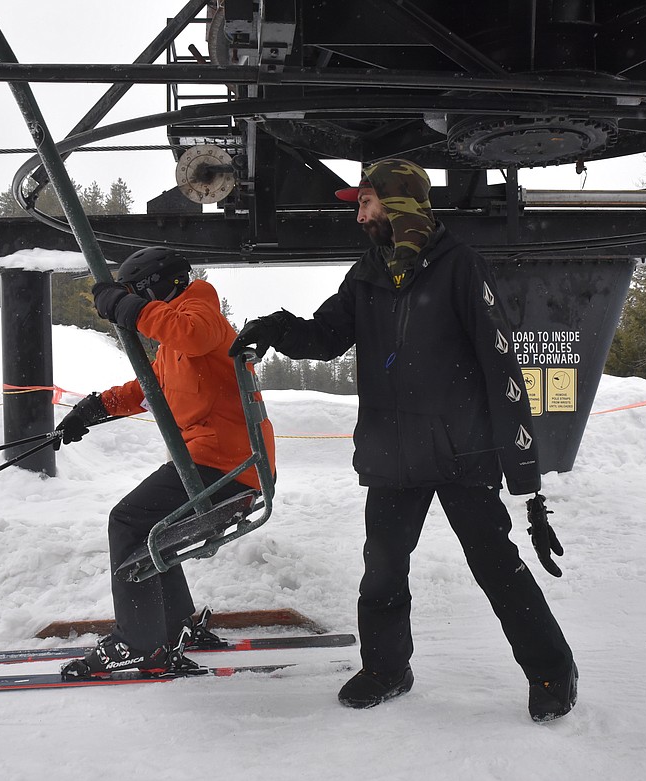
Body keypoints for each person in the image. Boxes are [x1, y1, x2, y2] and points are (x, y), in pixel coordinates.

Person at [229, 159, 576, 721]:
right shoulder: (366, 273)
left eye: (367, 203)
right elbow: (326, 335)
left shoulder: (461, 269)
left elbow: (501, 365)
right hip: (393, 455)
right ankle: (388, 668)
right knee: (383, 567)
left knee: (494, 565)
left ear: (400, 206)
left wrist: (525, 477)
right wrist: (277, 327)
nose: (359, 214)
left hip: (462, 453)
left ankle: (552, 670)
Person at [56, 247, 275, 680]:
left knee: (128, 521)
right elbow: (150, 388)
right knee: (155, 530)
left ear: (158, 285)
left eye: (138, 293)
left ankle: (138, 643)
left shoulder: (200, 307)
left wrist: (124, 306)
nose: (140, 304)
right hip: (217, 462)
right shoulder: (177, 343)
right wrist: (95, 408)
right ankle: (176, 625)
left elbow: (190, 332)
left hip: (223, 464)